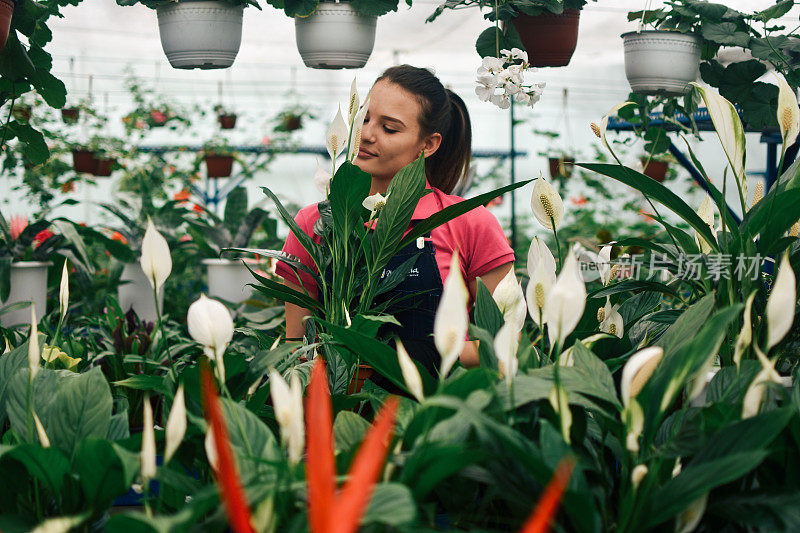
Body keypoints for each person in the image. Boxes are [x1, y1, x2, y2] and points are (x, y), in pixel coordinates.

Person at [276, 65, 514, 377]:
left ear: (428, 145)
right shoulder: (315, 223)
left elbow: (505, 346)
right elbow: (296, 346)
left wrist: (421, 353)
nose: (367, 134)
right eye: (364, 118)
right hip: (337, 410)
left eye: (389, 129)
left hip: (434, 412)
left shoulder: (469, 223)